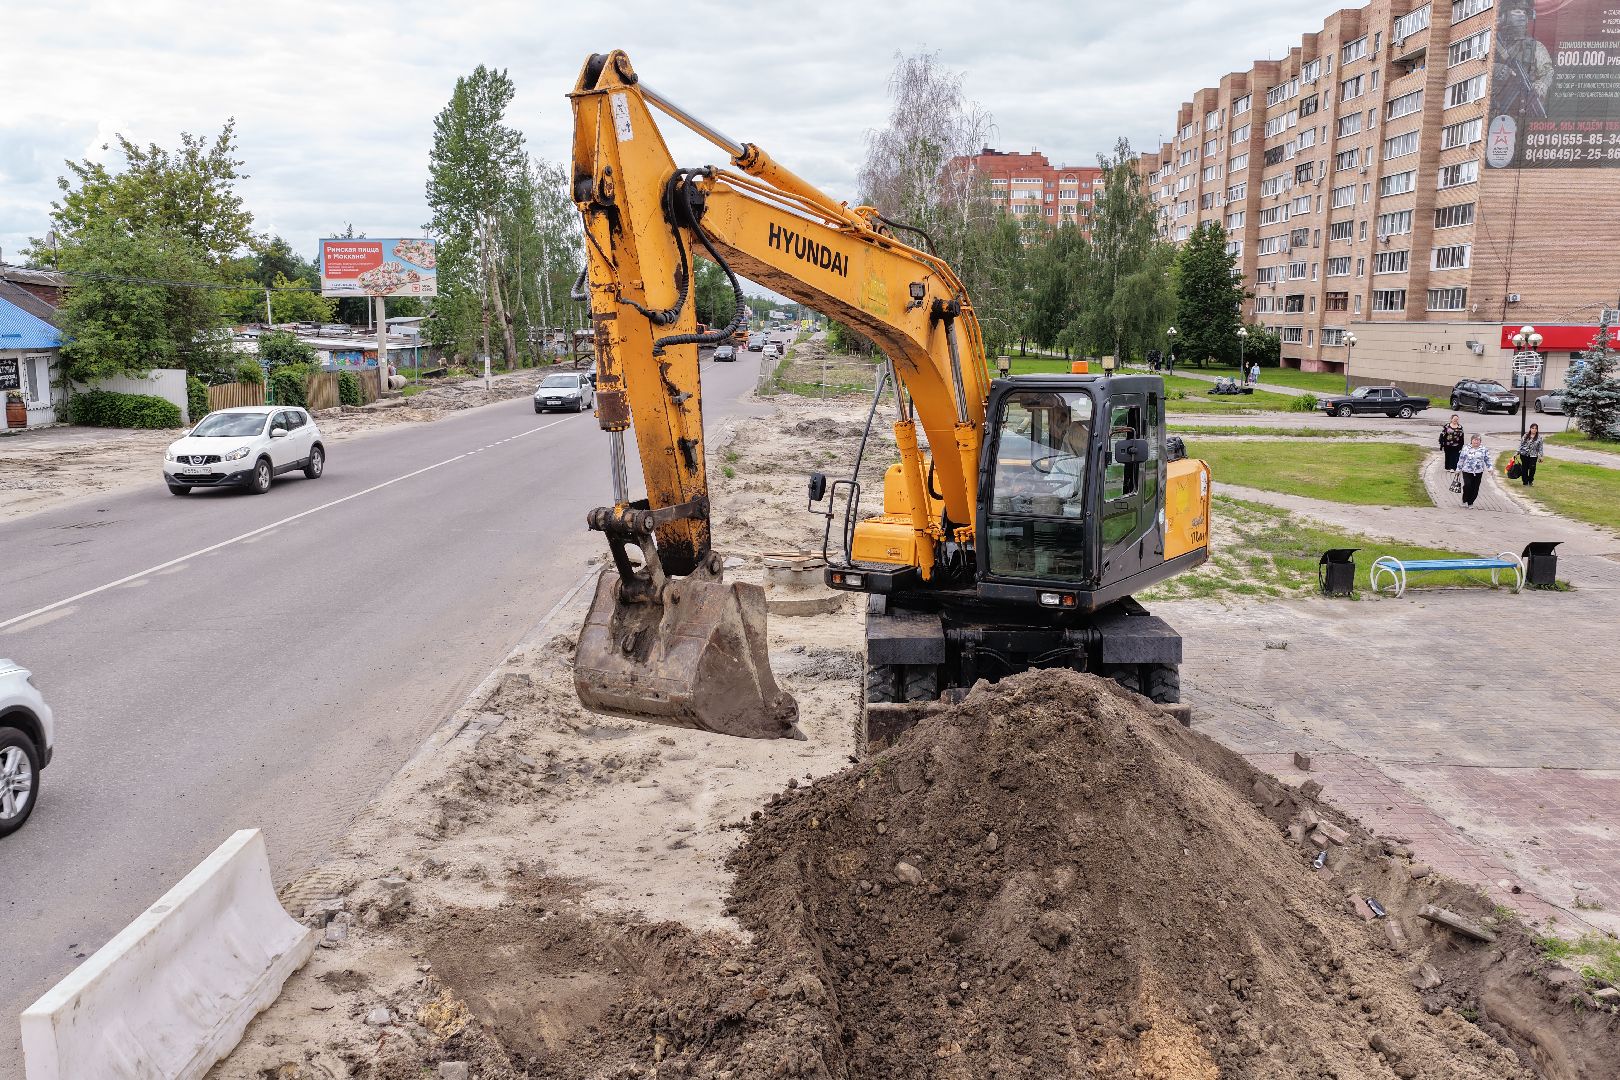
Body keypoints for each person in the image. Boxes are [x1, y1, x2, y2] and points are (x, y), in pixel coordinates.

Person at [1457, 434, 1491, 507]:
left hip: (1478, 471)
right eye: (1474, 440)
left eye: (1478, 440)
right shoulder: (1466, 448)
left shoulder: (1484, 449)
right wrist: (1458, 469)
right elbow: (1461, 459)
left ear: (1480, 441)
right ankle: (1464, 499)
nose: (1476, 442)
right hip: (1467, 470)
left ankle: (1470, 502)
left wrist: (1490, 468)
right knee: (1467, 485)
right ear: (1471, 441)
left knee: (1475, 488)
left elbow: (1487, 459)